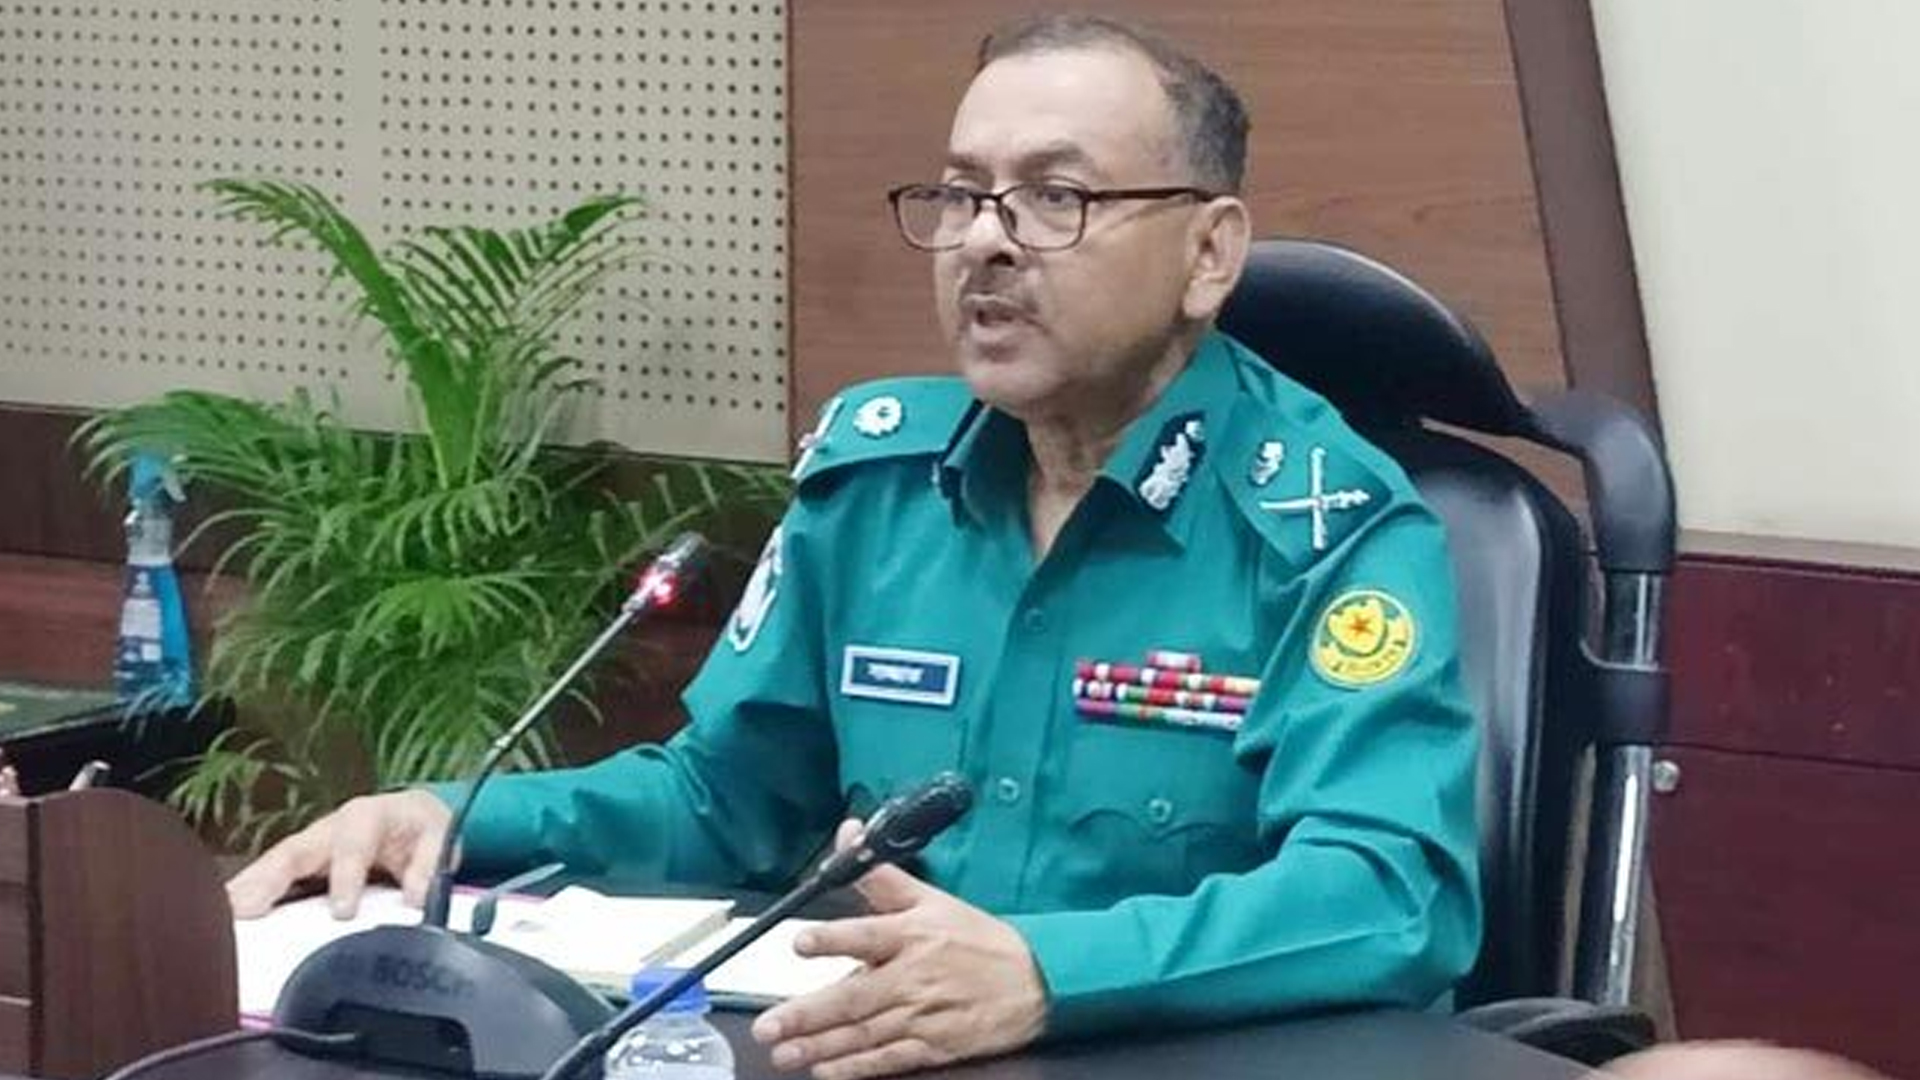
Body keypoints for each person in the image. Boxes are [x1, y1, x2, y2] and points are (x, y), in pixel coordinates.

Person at [228, 15, 1483, 1079]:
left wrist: (1051, 971)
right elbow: (723, 801)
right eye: (962, 194)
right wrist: (450, 816)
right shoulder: (873, 487)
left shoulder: (1325, 527)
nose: (985, 240)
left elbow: (1392, 892)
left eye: (1056, 197)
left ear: (1209, 253)